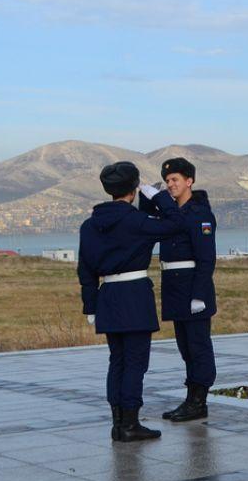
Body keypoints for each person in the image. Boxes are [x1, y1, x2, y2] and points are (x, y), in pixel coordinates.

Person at [78, 161, 186, 442]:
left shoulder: (89, 226)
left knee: (118, 361)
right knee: (135, 363)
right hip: (135, 296)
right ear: (134, 188)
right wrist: (159, 196)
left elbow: (85, 270)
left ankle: (118, 422)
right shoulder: (136, 222)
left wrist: (90, 306)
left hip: (108, 297)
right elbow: (176, 223)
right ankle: (130, 423)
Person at [140, 157, 218, 422]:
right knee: (186, 347)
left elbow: (206, 259)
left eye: (175, 180)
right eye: (167, 181)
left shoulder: (199, 214)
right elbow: (150, 221)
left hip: (192, 288)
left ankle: (198, 400)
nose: (170, 185)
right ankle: (191, 399)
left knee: (198, 346)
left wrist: (198, 294)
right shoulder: (173, 213)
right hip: (175, 287)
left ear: (189, 181)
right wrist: (148, 198)